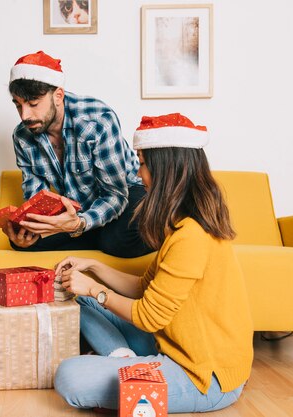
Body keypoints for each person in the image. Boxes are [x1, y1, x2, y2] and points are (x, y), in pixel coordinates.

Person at [53, 113, 254, 413]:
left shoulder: (192, 236)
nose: (138, 172)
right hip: (172, 346)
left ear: (165, 170)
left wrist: (96, 289)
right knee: (77, 299)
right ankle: (125, 362)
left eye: (143, 163)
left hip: (204, 377)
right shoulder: (182, 225)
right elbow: (142, 287)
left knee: (70, 377)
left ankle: (128, 367)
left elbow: (148, 317)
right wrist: (92, 267)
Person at [6, 51, 151, 258]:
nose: (25, 115)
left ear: (58, 96)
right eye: (18, 105)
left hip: (127, 193)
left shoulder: (97, 120)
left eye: (33, 104)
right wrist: (30, 228)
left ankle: (98, 234)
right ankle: (93, 234)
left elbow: (115, 195)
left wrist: (79, 223)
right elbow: (36, 198)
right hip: (79, 208)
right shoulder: (22, 136)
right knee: (23, 243)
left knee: (115, 241)